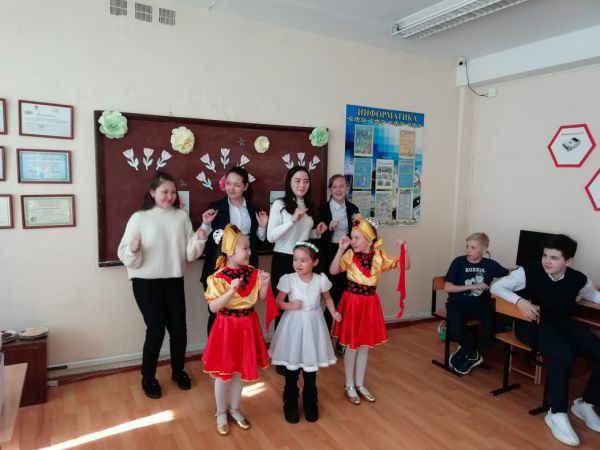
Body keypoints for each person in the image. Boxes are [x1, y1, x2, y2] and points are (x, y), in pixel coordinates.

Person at [491, 234, 600, 447]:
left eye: (554, 258)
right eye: (545, 255)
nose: (547, 261)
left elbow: (592, 295)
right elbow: (496, 287)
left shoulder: (578, 278)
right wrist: (519, 301)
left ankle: (586, 403)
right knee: (562, 352)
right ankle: (556, 412)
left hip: (561, 322)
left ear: (569, 261)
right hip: (532, 324)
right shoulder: (527, 272)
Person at [117, 171, 208, 399]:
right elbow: (124, 253)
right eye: (164, 192)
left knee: (179, 330)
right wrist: (133, 250)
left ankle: (178, 371)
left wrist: (200, 240)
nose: (169, 196)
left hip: (173, 280)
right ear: (152, 192)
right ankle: (148, 378)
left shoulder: (181, 217)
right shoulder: (139, 218)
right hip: (145, 283)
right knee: (156, 330)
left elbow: (189, 254)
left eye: (173, 192)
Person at [202, 223, 273, 436]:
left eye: (249, 248)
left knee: (240, 372)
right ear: (230, 251)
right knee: (223, 373)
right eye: (245, 248)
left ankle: (234, 408)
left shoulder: (254, 273)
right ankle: (220, 412)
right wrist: (230, 292)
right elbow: (213, 307)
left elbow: (261, 299)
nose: (249, 252)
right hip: (226, 328)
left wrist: (265, 284)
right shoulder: (217, 278)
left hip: (247, 326)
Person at [329, 217, 410, 405]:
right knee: (352, 346)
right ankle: (349, 384)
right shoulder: (350, 255)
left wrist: (405, 250)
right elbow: (333, 271)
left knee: (364, 345)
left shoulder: (380, 256)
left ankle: (359, 383)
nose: (352, 241)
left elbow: (405, 266)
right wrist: (341, 249)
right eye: (352, 237)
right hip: (352, 303)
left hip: (370, 304)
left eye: (356, 238)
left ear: (369, 239)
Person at [269, 241, 341, 423]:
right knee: (292, 368)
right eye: (295, 259)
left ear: (314, 262)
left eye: (303, 260)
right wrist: (290, 305)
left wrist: (334, 312)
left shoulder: (320, 280)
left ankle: (310, 400)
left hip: (313, 326)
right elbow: (277, 301)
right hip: (293, 326)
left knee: (310, 367)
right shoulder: (289, 279)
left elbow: (328, 298)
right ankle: (290, 401)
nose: (298, 264)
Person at [200, 166, 269, 335]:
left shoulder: (252, 210)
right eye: (228, 183)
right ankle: (216, 350)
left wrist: (262, 227)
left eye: (237, 185)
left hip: (245, 268)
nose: (231, 188)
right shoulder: (215, 207)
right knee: (216, 314)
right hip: (219, 267)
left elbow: (257, 240)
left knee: (243, 312)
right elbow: (206, 237)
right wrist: (206, 224)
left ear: (245, 186)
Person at [267, 166, 328, 329]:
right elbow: (270, 236)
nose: (302, 185)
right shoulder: (279, 204)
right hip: (283, 258)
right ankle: (282, 343)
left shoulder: (309, 205)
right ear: (289, 182)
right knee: (283, 305)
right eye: (298, 181)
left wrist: (317, 232)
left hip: (303, 259)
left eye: (306, 181)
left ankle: (301, 341)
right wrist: (292, 220)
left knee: (302, 303)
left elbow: (303, 235)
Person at [444, 232, 509, 375]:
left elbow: (509, 274)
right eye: (467, 247)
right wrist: (473, 286)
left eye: (473, 247)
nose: (469, 250)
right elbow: (447, 287)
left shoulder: (491, 264)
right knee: (456, 331)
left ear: (484, 249)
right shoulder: (458, 262)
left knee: (499, 328)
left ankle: (470, 351)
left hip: (481, 304)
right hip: (457, 304)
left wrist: (520, 272)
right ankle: (472, 352)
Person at [318, 174, 359, 336]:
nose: (338, 190)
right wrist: (329, 229)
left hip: (348, 254)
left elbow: (358, 234)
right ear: (330, 189)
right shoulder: (322, 209)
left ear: (347, 188)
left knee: (346, 296)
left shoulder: (353, 209)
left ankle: (344, 338)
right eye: (334, 187)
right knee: (331, 297)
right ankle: (325, 337)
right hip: (329, 256)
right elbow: (316, 236)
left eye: (342, 186)